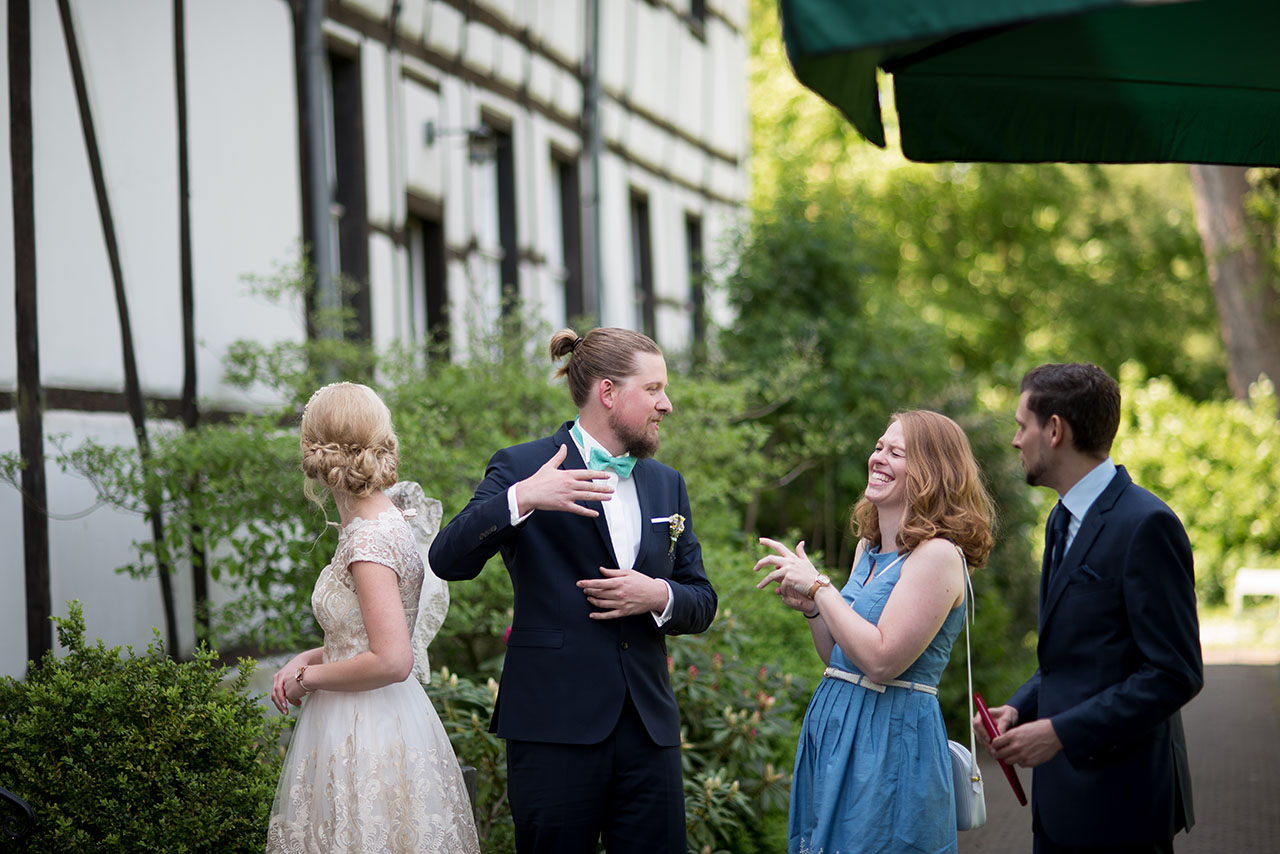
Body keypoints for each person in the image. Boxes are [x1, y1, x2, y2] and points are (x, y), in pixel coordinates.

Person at [427, 327, 717, 854]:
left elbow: (702, 598)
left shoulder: (666, 483)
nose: (666, 404)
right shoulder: (521, 465)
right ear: (608, 393)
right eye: (652, 389)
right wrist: (523, 497)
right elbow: (447, 559)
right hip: (552, 728)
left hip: (649, 733)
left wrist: (658, 596)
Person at [978, 363, 1202, 854]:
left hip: (1122, 809)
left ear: (1054, 430)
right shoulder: (1059, 519)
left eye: (1022, 425)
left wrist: (1060, 733)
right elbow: (1076, 653)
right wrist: (1020, 706)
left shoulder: (1147, 525)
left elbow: (1175, 674)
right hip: (1058, 809)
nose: (1016, 440)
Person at [755, 410, 995, 854]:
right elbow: (841, 660)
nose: (878, 458)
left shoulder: (938, 555)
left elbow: (882, 662)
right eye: (879, 446)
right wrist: (814, 611)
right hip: (837, 730)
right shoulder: (868, 547)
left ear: (931, 473)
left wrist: (821, 588)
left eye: (896, 452)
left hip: (890, 742)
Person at [266, 382, 480, 854]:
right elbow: (365, 636)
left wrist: (308, 677)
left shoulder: (367, 543)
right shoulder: (389, 519)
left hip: (364, 728)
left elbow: (391, 659)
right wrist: (308, 656)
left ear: (314, 449)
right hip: (379, 714)